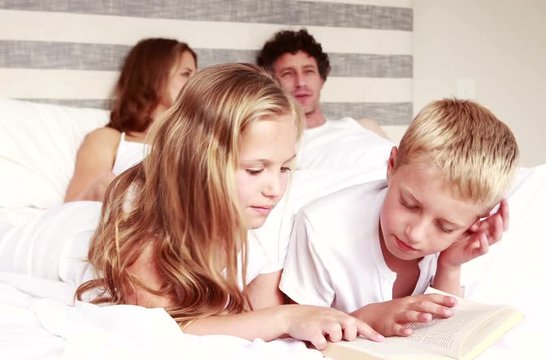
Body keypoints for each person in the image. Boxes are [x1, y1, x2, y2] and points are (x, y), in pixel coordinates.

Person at [0, 64, 382, 349]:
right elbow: (168, 323)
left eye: (284, 167)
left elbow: (256, 315)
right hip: (54, 235)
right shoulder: (141, 234)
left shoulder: (266, 210)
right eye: (254, 169)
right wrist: (287, 316)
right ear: (200, 161)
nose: (275, 187)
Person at [279, 98, 519, 337]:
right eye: (409, 204)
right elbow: (296, 337)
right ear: (391, 166)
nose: (415, 234)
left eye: (444, 227)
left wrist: (450, 266)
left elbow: (442, 338)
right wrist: (368, 318)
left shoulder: (463, 239)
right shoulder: (320, 229)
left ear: (474, 223)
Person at [64, 38, 197, 202]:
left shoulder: (196, 143)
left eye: (195, 75)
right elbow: (72, 210)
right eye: (186, 73)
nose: (195, 82)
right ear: (153, 75)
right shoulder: (108, 140)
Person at [256, 28, 394, 170]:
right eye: (288, 74)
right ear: (272, 84)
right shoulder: (275, 147)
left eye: (308, 71)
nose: (301, 82)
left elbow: (407, 162)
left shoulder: (364, 126)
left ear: (321, 79)